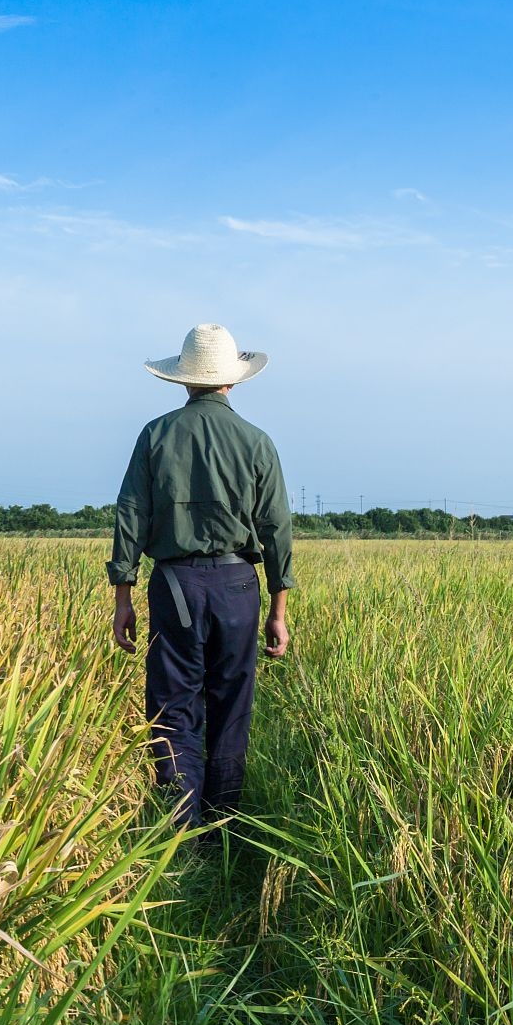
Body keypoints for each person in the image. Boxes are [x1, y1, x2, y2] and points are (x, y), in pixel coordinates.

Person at [108, 323, 294, 829]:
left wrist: (123, 598)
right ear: (231, 379)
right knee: (232, 706)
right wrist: (278, 611)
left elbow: (130, 516)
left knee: (173, 705)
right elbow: (276, 528)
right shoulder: (257, 442)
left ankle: (180, 830)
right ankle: (223, 825)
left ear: (185, 379)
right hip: (239, 587)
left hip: (175, 586)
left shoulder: (156, 434)